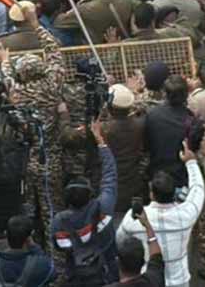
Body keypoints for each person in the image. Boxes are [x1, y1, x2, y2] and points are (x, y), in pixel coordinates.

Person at [115, 141, 205, 287]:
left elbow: (120, 240)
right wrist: (191, 163)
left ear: (152, 194)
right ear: (173, 192)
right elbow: (198, 189)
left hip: (149, 281)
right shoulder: (186, 214)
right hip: (179, 282)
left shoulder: (135, 219)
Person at [50, 121, 118, 287]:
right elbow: (110, 174)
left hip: (76, 275)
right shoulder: (104, 207)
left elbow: (59, 247)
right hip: (107, 272)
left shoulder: (59, 221)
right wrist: (100, 141)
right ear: (90, 194)